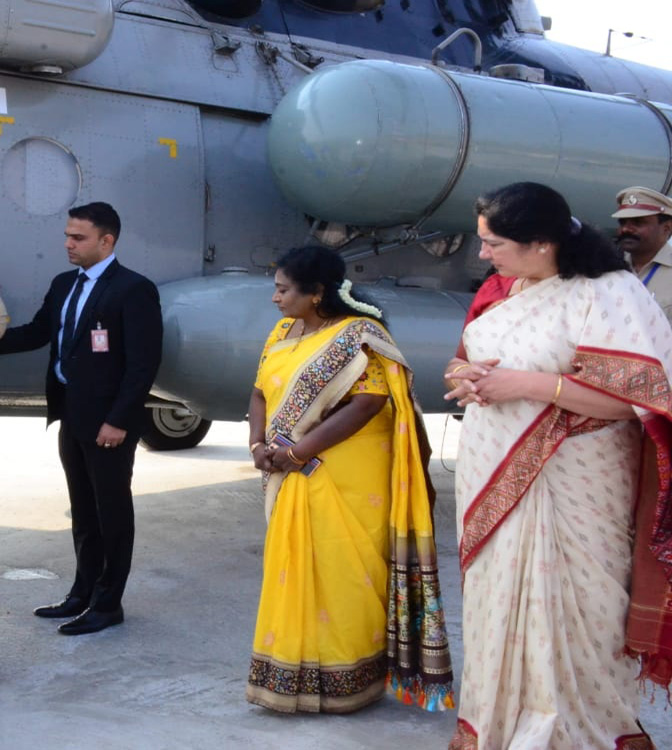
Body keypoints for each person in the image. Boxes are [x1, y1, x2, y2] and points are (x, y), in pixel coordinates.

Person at [443, 182, 672, 749]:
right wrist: (464, 378)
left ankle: (581, 731)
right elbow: (464, 358)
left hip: (576, 482)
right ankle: (494, 725)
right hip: (489, 473)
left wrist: (529, 384)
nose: (482, 254)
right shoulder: (504, 288)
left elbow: (642, 398)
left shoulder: (609, 292)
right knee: (496, 601)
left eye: (494, 243)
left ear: (541, 243)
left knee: (580, 610)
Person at [244, 245, 452, 714]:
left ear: (316, 293)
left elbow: (369, 402)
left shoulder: (360, 336)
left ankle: (349, 680)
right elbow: (259, 390)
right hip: (290, 467)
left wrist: (298, 451)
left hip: (345, 472)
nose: (275, 299)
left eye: (283, 290)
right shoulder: (282, 331)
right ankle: (289, 677)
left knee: (346, 571)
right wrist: (258, 445)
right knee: (294, 568)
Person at [0, 202, 162, 636]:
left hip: (109, 424)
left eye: (78, 238)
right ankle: (81, 593)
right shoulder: (65, 284)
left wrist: (118, 420)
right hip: (71, 415)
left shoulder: (133, 290)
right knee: (82, 511)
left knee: (111, 512)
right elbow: (36, 333)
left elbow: (143, 363)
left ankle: (108, 603)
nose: (68, 244)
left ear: (107, 241)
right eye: (67, 235)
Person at [613, 185, 672, 322]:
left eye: (638, 223)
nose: (626, 229)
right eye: (622, 223)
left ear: (666, 228)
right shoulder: (609, 267)